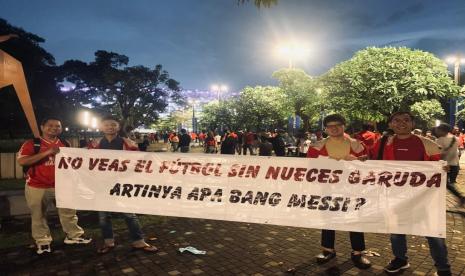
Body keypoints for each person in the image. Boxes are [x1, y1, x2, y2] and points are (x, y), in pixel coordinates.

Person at [372, 112, 451, 276]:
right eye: (397, 120)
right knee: (396, 231)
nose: (402, 123)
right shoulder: (382, 144)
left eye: (406, 120)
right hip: (395, 197)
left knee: (433, 233)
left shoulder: (427, 144)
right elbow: (367, 161)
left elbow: (439, 165)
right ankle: (400, 259)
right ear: (390, 124)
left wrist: (444, 168)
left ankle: (443, 267)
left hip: (423, 198)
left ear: (413, 124)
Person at [17, 117, 91, 255]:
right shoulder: (33, 144)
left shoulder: (64, 143)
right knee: (38, 215)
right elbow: (23, 161)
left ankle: (74, 236)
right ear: (42, 127)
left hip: (62, 185)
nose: (54, 128)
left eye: (58, 126)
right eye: (50, 125)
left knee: (69, 213)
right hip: (37, 185)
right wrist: (48, 152)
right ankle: (43, 241)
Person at [307, 114, 371, 269]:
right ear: (326, 128)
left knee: (355, 219)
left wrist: (359, 161)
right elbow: (310, 167)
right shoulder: (317, 146)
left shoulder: (357, 145)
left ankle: (357, 252)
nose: (334, 128)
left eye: (337, 125)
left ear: (344, 125)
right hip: (328, 189)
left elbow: (369, 165)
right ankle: (328, 249)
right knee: (329, 219)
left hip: (353, 190)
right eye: (330, 126)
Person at [88, 116, 158, 254]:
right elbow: (87, 163)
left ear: (118, 127)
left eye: (113, 125)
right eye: (107, 124)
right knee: (103, 217)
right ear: (101, 127)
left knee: (129, 215)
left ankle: (138, 241)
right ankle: (108, 242)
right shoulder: (94, 144)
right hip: (101, 185)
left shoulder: (129, 144)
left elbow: (136, 163)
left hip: (123, 185)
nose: (110, 127)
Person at [435, 123, 465, 204]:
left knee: (442, 183)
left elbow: (437, 154)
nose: (436, 131)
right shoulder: (455, 138)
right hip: (455, 164)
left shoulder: (440, 140)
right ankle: (460, 197)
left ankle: (459, 197)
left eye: (438, 129)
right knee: (448, 184)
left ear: (442, 130)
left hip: (445, 166)